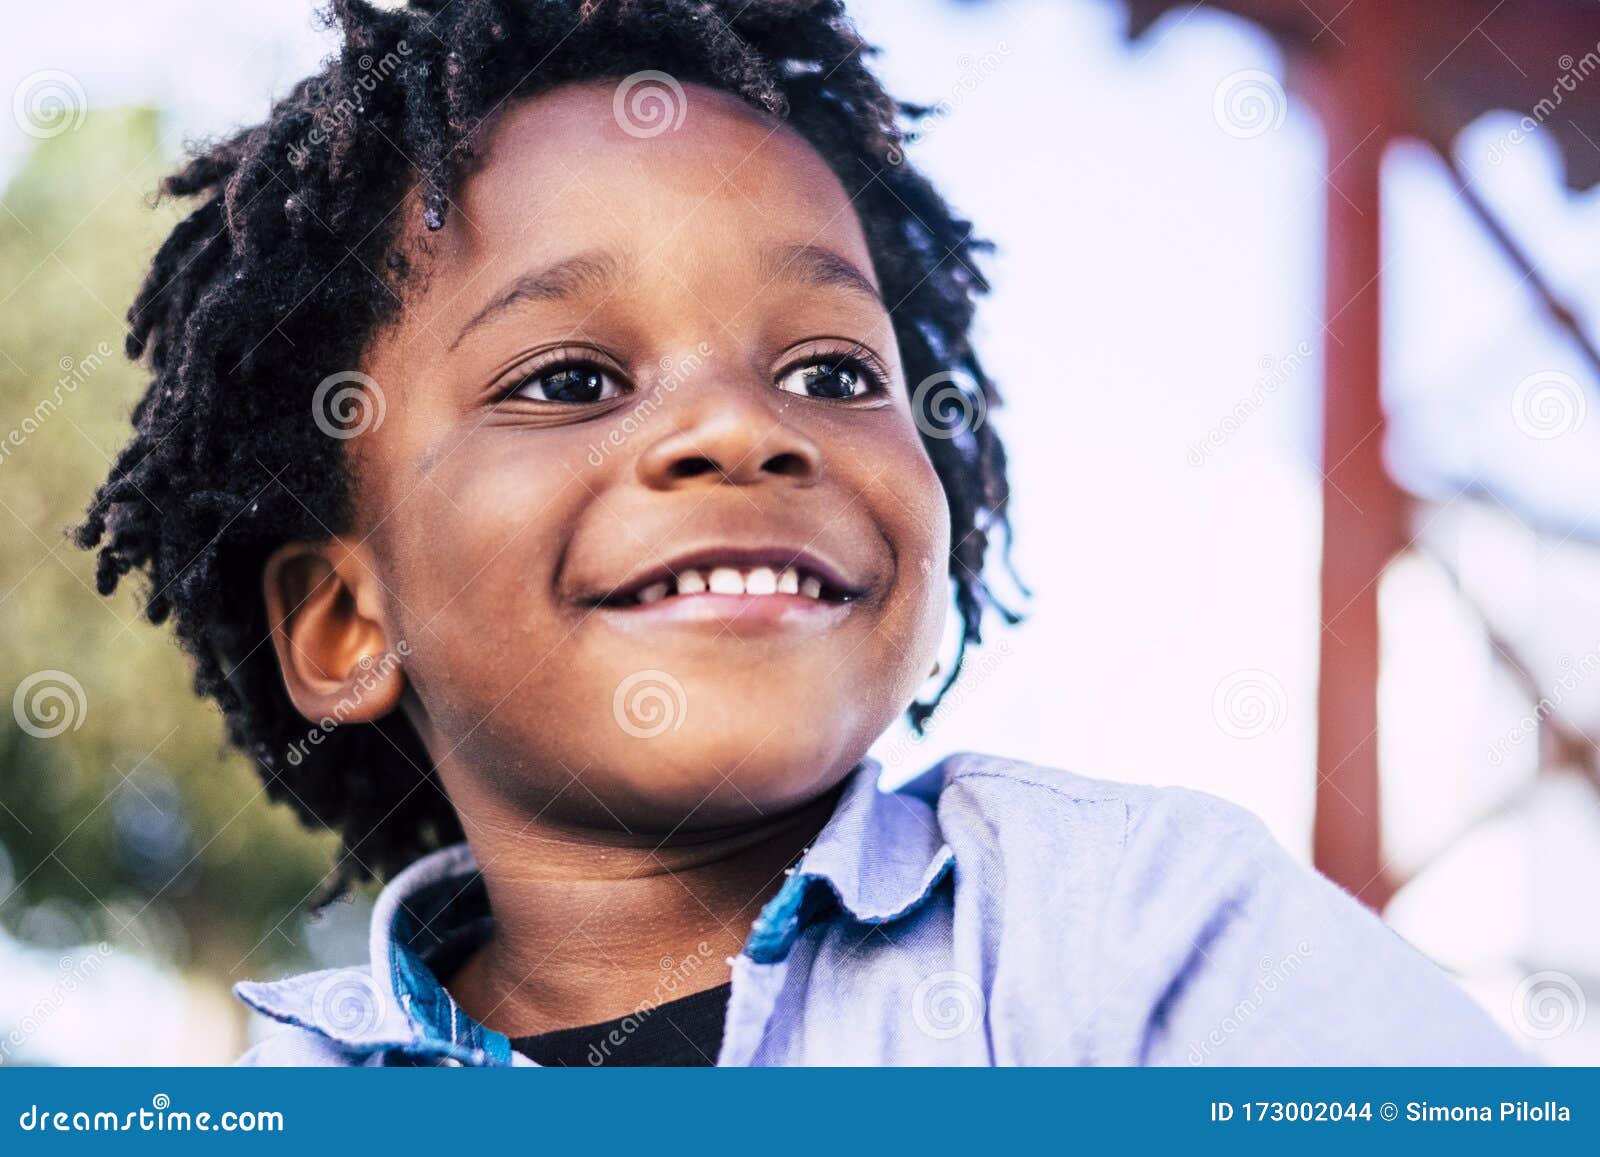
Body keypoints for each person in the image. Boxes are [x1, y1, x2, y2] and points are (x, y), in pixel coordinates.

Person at [77, 0, 1524, 1067]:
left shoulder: (1131, 930)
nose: (741, 429)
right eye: (570, 380)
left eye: (834, 372)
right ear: (343, 624)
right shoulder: (301, 1084)